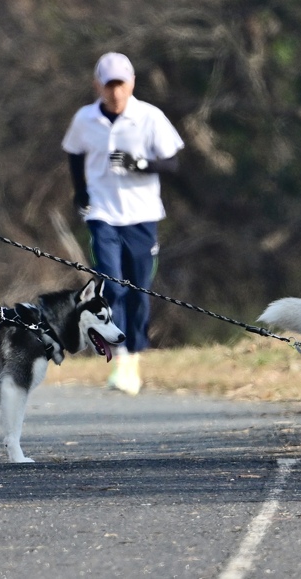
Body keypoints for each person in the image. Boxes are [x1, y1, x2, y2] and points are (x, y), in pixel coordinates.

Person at [61, 52, 184, 396]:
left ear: (131, 84)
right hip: (103, 214)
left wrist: (141, 163)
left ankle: (136, 357)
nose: (115, 92)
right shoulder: (85, 119)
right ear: (97, 84)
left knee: (139, 289)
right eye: (108, 84)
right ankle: (122, 361)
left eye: (121, 84)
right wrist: (80, 192)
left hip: (142, 215)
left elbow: (172, 163)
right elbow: (74, 154)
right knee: (113, 286)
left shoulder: (149, 117)